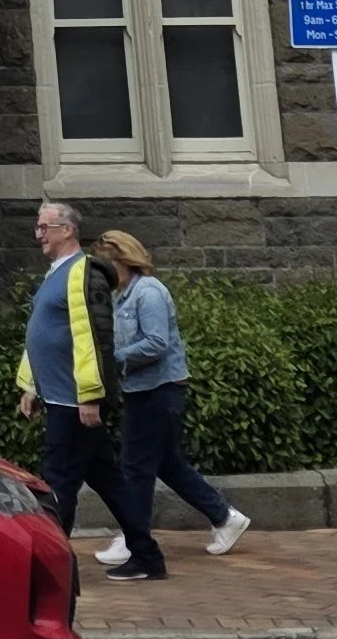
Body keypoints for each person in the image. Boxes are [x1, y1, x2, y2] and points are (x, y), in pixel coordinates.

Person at [14, 194, 165, 580]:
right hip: (61, 397)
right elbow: (44, 334)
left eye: (44, 228)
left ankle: (53, 569)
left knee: (58, 481)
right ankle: (147, 557)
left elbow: (96, 338)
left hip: (74, 401)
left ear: (66, 230)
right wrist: (31, 385)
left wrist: (92, 396)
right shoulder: (56, 273)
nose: (38, 236)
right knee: (109, 482)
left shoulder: (85, 273)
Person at [92, 230, 250, 568]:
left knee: (135, 467)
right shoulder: (126, 295)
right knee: (166, 463)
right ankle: (223, 517)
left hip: (157, 391)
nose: (102, 275)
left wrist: (114, 359)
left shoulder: (147, 293)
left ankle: (134, 539)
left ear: (122, 260)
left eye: (106, 265)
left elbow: (155, 343)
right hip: (147, 391)